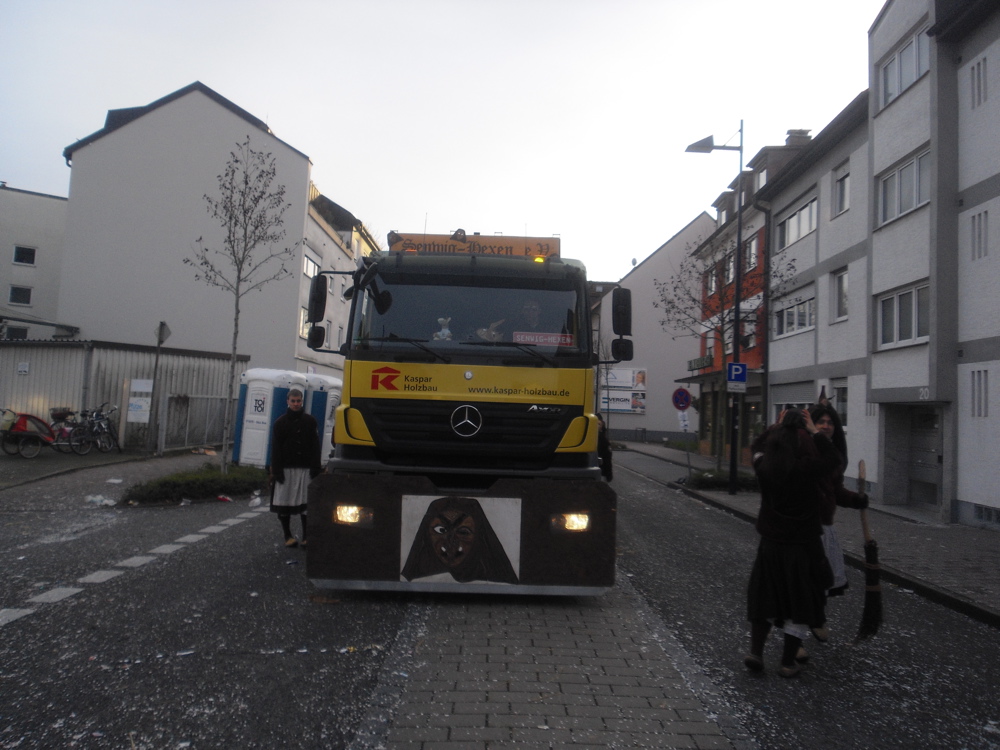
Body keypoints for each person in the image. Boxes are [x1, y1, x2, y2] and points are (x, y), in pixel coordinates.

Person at [744, 408, 841, 677]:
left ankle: (756, 652)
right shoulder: (807, 468)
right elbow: (833, 458)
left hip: (770, 544)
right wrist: (814, 432)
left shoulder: (764, 467)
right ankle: (787, 663)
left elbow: (756, 447)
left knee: (765, 597)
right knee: (800, 602)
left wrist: (776, 426)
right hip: (802, 545)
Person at [808, 400, 869, 642]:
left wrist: (855, 500)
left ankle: (816, 616)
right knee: (801, 579)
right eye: (821, 422)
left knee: (822, 577)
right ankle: (796, 635)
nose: (826, 426)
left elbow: (836, 491)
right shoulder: (805, 450)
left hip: (824, 526)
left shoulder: (834, 456)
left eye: (830, 422)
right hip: (803, 526)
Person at [267, 389, 322, 548]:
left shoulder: (310, 421)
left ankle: (306, 537)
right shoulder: (280, 423)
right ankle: (288, 536)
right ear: (288, 401)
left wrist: (316, 467)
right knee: (284, 502)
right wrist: (276, 471)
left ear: (302, 401)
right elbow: (276, 448)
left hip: (305, 468)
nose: (296, 404)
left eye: (298, 401)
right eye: (293, 401)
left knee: (306, 503)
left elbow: (315, 446)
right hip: (286, 468)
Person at [596, 414, 613, 481]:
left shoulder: (603, 440)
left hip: (601, 472)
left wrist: (608, 474)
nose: (597, 426)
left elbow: (607, 458)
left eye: (599, 424)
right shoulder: (602, 439)